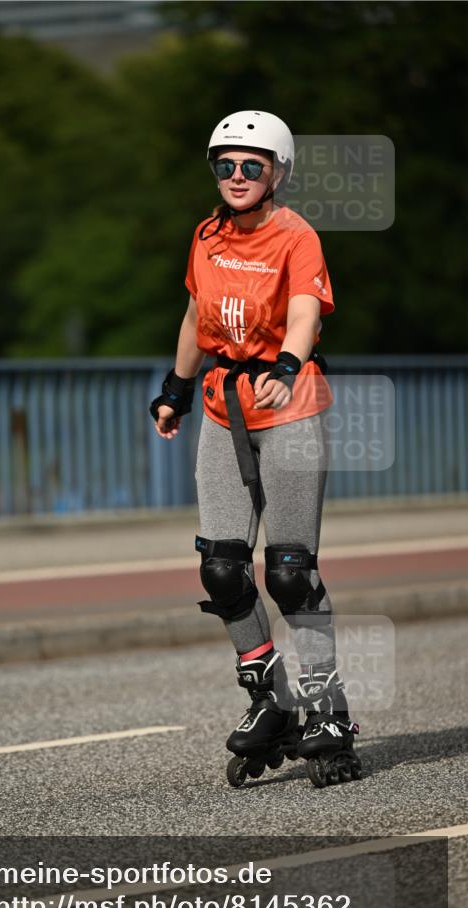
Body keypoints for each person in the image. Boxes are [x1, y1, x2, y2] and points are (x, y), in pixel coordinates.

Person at [150, 110, 361, 788]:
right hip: (221, 408)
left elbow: (304, 308)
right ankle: (270, 700)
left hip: (289, 406)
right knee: (221, 570)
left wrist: (287, 364)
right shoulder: (205, 236)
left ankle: (327, 711)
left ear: (276, 172)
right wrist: (175, 389)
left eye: (251, 165)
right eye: (224, 165)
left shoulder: (294, 235)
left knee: (290, 573)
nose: (236, 176)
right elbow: (193, 315)